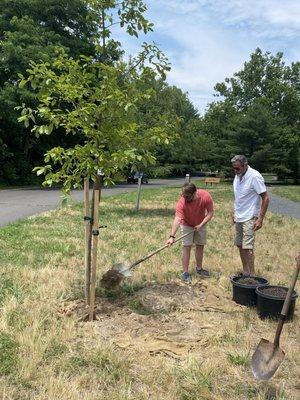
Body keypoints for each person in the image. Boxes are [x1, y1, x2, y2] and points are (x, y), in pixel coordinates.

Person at [166, 182, 214, 283]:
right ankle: (185, 273)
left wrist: (201, 225)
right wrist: (171, 236)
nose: (185, 198)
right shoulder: (182, 202)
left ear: (195, 193)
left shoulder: (205, 196)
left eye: (187, 196)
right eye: (183, 196)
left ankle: (199, 269)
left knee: (200, 245)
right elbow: (177, 219)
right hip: (186, 224)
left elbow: (210, 213)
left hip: (201, 223)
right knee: (186, 246)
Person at [231, 155, 269, 276]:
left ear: (245, 165)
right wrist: (235, 213)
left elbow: (266, 198)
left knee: (248, 247)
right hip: (239, 216)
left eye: (237, 168)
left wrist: (260, 218)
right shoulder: (238, 176)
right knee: (240, 244)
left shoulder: (255, 176)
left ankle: (252, 276)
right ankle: (245, 271)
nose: (235, 171)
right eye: (234, 168)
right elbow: (239, 196)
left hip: (250, 216)